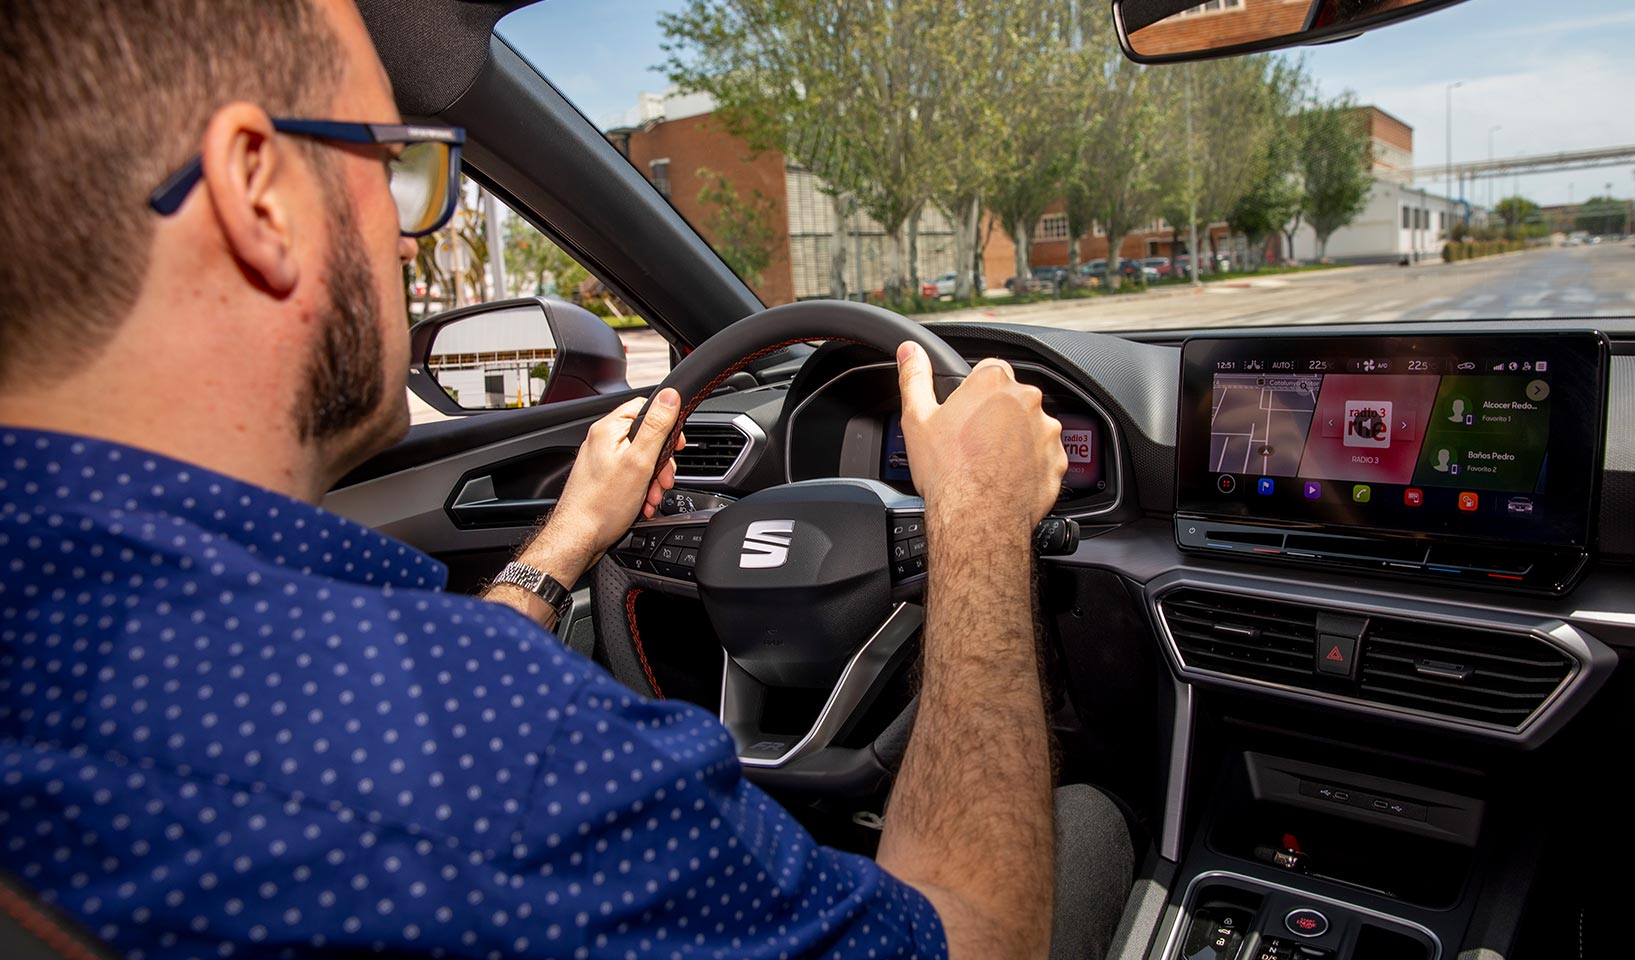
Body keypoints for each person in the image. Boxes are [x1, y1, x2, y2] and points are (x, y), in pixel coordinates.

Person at [0, 2, 1131, 958]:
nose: (409, 237)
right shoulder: (477, 767)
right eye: (397, 167)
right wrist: (978, 527)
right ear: (259, 192)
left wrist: (563, 545)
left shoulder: (121, 637)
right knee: (1092, 824)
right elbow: (969, 934)